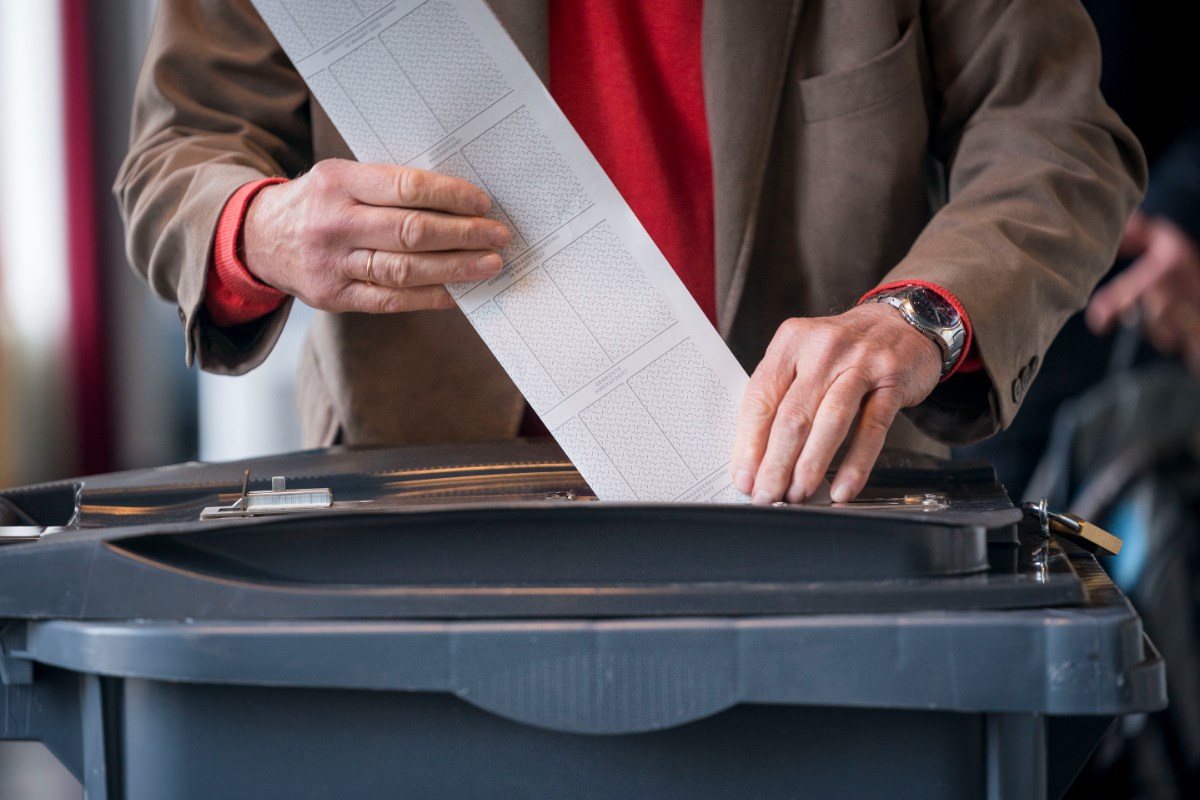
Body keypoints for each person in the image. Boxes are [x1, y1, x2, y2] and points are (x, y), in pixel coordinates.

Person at [116, 0, 1144, 504]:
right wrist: (261, 229)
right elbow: (179, 151)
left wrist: (917, 314)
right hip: (423, 500)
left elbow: (1056, 135)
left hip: (820, 501)